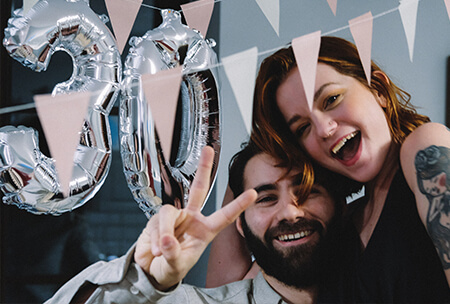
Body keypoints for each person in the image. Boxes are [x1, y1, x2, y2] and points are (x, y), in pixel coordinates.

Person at [207, 36, 450, 303]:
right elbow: (226, 293)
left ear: (378, 88)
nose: (324, 130)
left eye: (331, 99)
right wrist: (245, 172)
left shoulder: (424, 147)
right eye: (302, 128)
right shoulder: (341, 224)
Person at [45, 143, 349, 304]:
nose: (289, 213)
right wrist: (142, 283)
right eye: (266, 198)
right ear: (241, 225)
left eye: (307, 191)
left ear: (339, 204)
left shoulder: (386, 288)